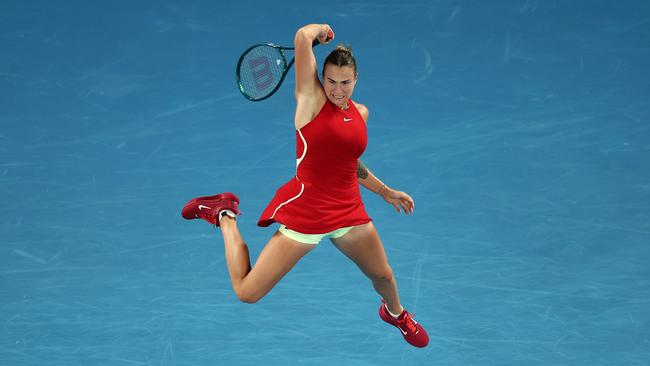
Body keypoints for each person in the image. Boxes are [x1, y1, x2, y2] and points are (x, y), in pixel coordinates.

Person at [181, 24, 428, 348]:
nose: (337, 90)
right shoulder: (310, 102)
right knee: (247, 291)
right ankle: (224, 213)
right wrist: (319, 32)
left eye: (344, 83)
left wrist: (385, 192)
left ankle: (395, 314)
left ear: (355, 81)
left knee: (383, 275)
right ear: (320, 80)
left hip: (348, 211)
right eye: (330, 82)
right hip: (308, 213)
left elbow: (348, 163)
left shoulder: (360, 113)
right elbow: (301, 38)